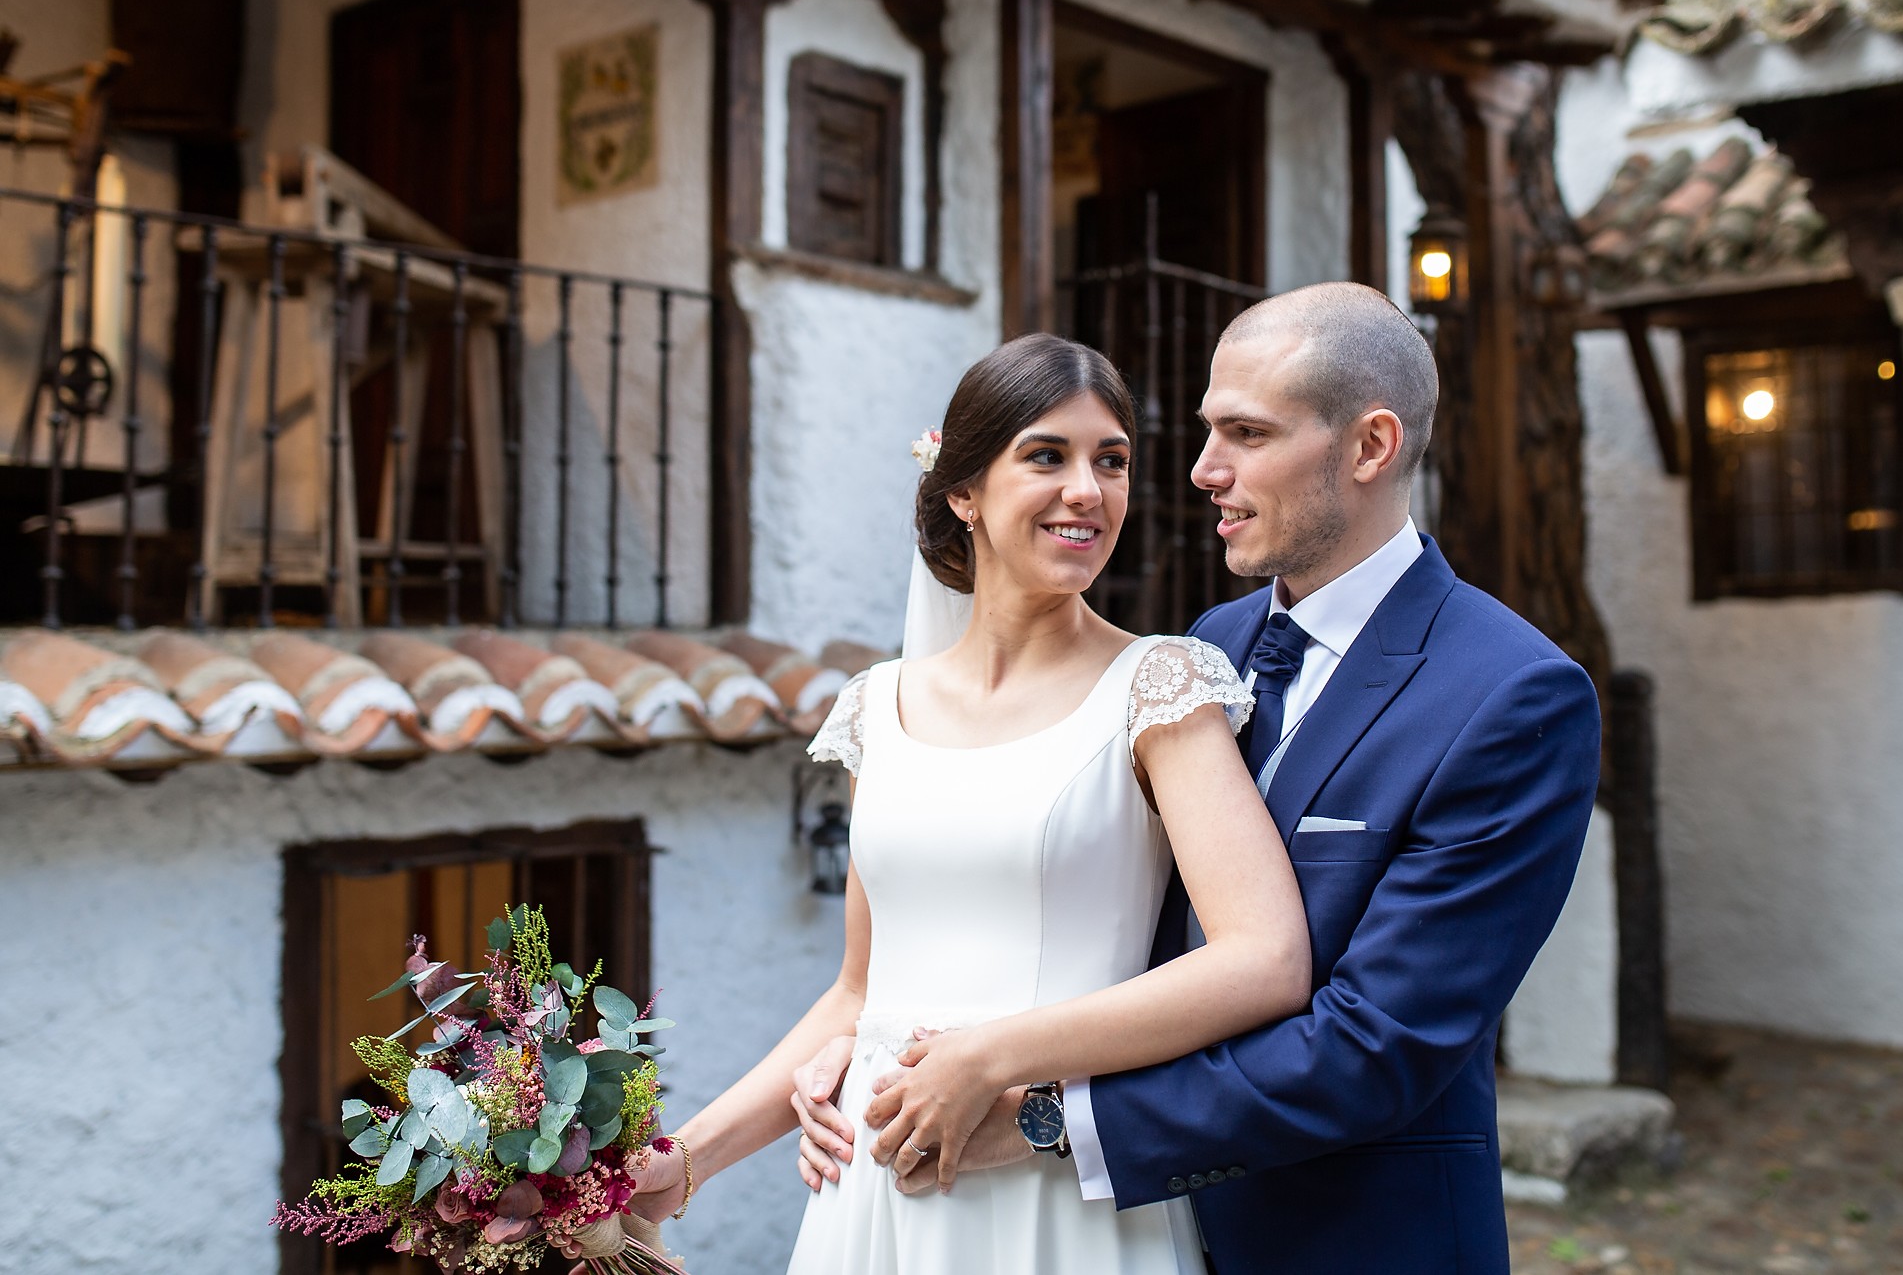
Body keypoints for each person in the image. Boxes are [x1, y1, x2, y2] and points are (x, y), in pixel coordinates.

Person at [794, 283, 1602, 1274]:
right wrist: (873, 1042)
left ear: (1369, 446)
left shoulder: (1510, 697)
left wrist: (1044, 1121)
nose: (1202, 470)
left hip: (1343, 1241)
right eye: (1203, 430)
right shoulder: (1207, 651)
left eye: (1245, 434)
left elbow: (1374, 1045)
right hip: (1132, 1236)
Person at [583, 332, 1313, 1275]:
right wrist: (684, 1162)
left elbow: (1264, 959)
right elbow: (860, 992)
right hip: (875, 1196)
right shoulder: (875, 709)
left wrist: (989, 1057)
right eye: (1046, 456)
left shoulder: (1162, 688)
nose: (1088, 490)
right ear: (963, 490)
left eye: (1113, 461)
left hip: (1059, 1189)